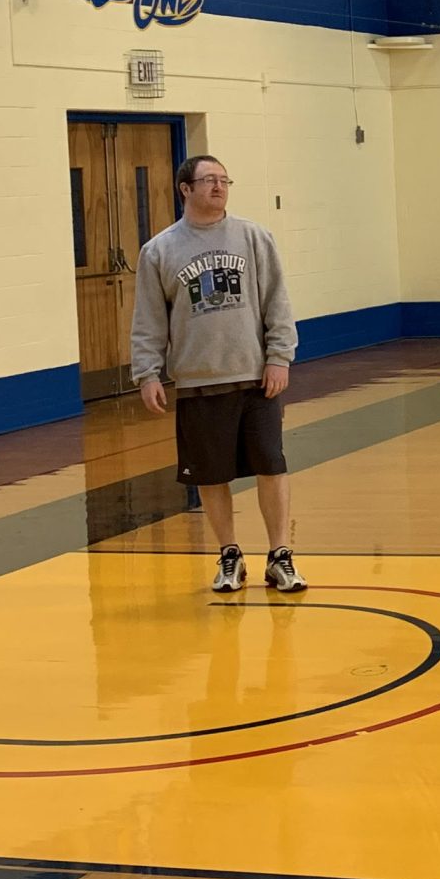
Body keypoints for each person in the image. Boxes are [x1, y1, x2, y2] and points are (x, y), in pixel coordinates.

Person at [132, 154, 303, 594]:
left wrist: (279, 356)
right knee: (210, 474)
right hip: (197, 381)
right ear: (184, 189)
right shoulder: (160, 250)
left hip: (254, 376)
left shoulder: (254, 238)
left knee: (272, 465)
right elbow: (149, 320)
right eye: (208, 180)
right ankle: (229, 554)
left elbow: (277, 302)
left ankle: (280, 555)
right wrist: (147, 373)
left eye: (224, 180)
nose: (219, 187)